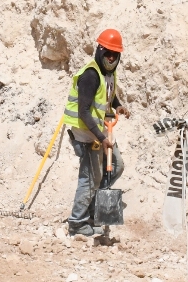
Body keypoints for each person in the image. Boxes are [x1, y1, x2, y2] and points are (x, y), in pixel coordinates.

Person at [63, 28, 129, 236]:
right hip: (86, 133)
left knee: (116, 166)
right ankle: (77, 222)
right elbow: (83, 111)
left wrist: (116, 105)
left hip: (100, 130)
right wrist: (101, 138)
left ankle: (93, 210)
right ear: (99, 51)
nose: (111, 58)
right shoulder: (90, 75)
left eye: (115, 54)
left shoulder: (108, 73)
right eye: (107, 53)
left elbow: (109, 93)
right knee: (91, 177)